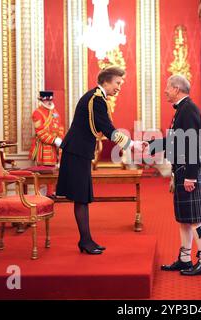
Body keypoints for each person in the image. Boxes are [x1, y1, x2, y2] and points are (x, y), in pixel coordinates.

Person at [56, 67, 146, 255]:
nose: (119, 88)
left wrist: (131, 143)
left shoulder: (96, 97)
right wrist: (132, 145)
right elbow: (107, 129)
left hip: (78, 152)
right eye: (117, 83)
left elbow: (107, 128)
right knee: (81, 198)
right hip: (76, 153)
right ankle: (85, 241)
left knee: (83, 198)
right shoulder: (96, 99)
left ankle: (86, 240)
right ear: (106, 81)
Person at [149, 75, 201, 276]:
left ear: (177, 89)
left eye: (167, 87)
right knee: (184, 219)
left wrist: (191, 177)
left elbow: (193, 144)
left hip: (189, 172)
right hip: (183, 170)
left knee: (195, 219)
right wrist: (153, 145)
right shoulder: (183, 110)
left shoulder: (188, 109)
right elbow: (177, 141)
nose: (165, 90)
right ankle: (185, 259)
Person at [29, 91, 64, 195]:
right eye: (46, 100)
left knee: (53, 170)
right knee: (44, 171)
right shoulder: (37, 113)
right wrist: (54, 140)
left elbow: (60, 126)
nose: (49, 102)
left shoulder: (55, 111)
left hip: (56, 146)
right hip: (44, 147)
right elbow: (40, 132)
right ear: (41, 100)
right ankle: (40, 194)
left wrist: (60, 138)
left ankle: (50, 192)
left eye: (50, 99)